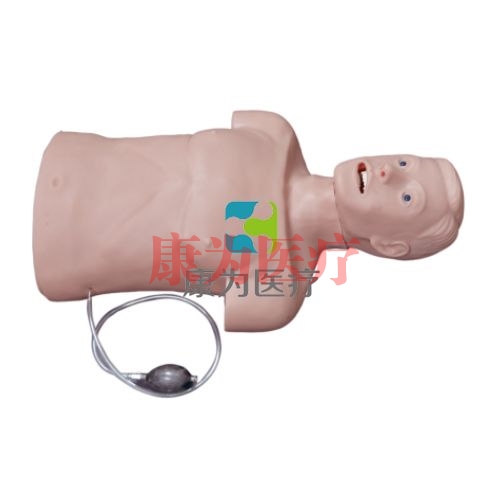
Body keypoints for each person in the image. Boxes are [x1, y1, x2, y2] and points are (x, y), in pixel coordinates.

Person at [33, 111, 464, 331]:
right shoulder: (274, 131)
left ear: (389, 245)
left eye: (408, 197)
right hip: (67, 154)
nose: (387, 172)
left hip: (54, 256)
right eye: (404, 162)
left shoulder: (278, 291)